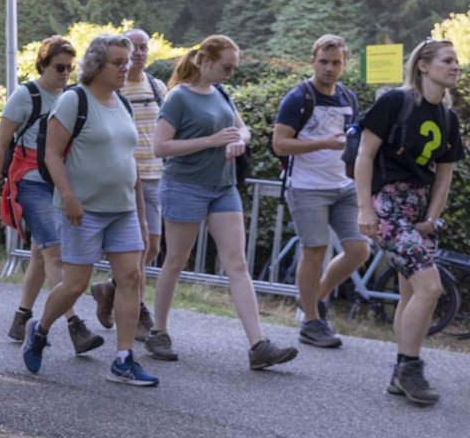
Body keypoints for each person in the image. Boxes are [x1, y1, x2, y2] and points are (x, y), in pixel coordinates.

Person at [149, 35, 298, 370]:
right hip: (185, 186)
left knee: (237, 264)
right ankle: (158, 331)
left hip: (223, 188)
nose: (231, 73)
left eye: (234, 67)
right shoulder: (178, 97)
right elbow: (161, 148)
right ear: (205, 61)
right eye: (226, 66)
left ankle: (258, 345)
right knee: (176, 259)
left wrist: (237, 141)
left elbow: (242, 130)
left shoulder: (221, 93)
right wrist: (212, 141)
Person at [24, 35, 155, 385]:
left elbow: (131, 163)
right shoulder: (73, 100)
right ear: (97, 65)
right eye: (118, 62)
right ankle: (40, 328)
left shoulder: (122, 104)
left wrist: (141, 216)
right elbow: (52, 154)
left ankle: (124, 359)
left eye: (127, 61)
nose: (126, 67)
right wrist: (68, 197)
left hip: (123, 209)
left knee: (131, 278)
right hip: (83, 210)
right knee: (75, 285)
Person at [355, 38, 463, 406]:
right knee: (430, 288)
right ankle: (409, 367)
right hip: (386, 202)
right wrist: (365, 208)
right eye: (448, 60)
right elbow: (364, 155)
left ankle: (400, 375)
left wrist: (431, 218)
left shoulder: (448, 117)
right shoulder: (394, 102)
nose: (455, 66)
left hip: (418, 207)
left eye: (457, 62)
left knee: (413, 292)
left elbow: (444, 175)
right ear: (423, 65)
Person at [0, 37, 103, 353]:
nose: (65, 74)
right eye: (59, 67)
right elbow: (0, 147)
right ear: (43, 65)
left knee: (40, 252)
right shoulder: (26, 96)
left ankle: (22, 317)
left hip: (59, 182)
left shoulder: (72, 96)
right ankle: (75, 325)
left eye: (70, 68)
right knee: (54, 252)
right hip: (31, 181)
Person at [270, 34, 368, 349]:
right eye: (323, 62)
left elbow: (353, 140)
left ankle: (313, 299)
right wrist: (324, 143)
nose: (329, 68)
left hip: (344, 186)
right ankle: (311, 323)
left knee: (358, 250)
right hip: (307, 187)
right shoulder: (298, 97)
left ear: (344, 64)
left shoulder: (348, 97)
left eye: (336, 62)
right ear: (313, 61)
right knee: (314, 250)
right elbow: (280, 144)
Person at [90, 28, 165, 341]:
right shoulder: (114, 89)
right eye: (134, 47)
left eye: (144, 47)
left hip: (155, 176)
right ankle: (138, 315)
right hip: (124, 180)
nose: (140, 53)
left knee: (153, 247)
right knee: (136, 251)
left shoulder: (158, 87)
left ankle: (110, 289)